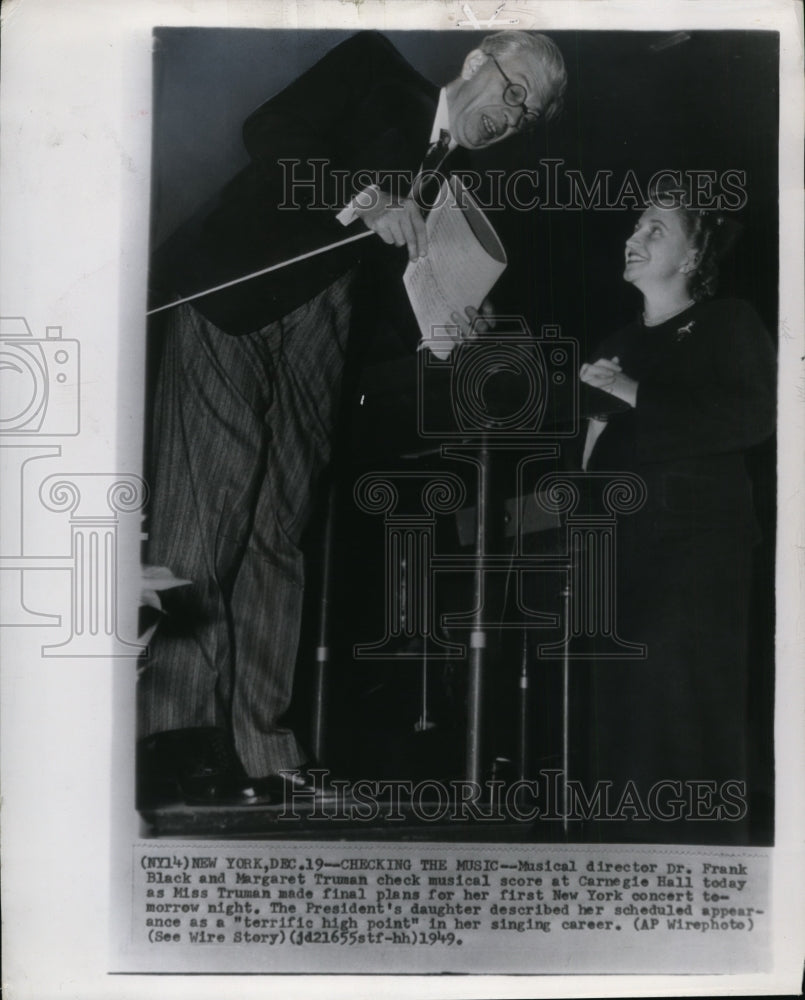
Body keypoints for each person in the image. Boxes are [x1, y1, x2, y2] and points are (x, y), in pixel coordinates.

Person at [137, 30, 568, 808]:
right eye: (513, 91)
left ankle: (264, 750)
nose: (513, 116)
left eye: (528, 115)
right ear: (476, 64)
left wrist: (451, 324)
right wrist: (368, 199)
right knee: (205, 520)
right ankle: (176, 739)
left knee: (278, 538)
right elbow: (271, 133)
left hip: (322, 342)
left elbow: (400, 293)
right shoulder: (375, 69)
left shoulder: (461, 191)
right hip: (230, 297)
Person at [577, 185, 776, 842]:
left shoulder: (728, 322)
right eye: (635, 224)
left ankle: (703, 879)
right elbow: (587, 453)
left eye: (656, 228)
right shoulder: (612, 342)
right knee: (618, 721)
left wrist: (629, 392)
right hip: (616, 551)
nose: (634, 236)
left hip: (694, 555)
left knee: (683, 718)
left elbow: (753, 416)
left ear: (694, 253)